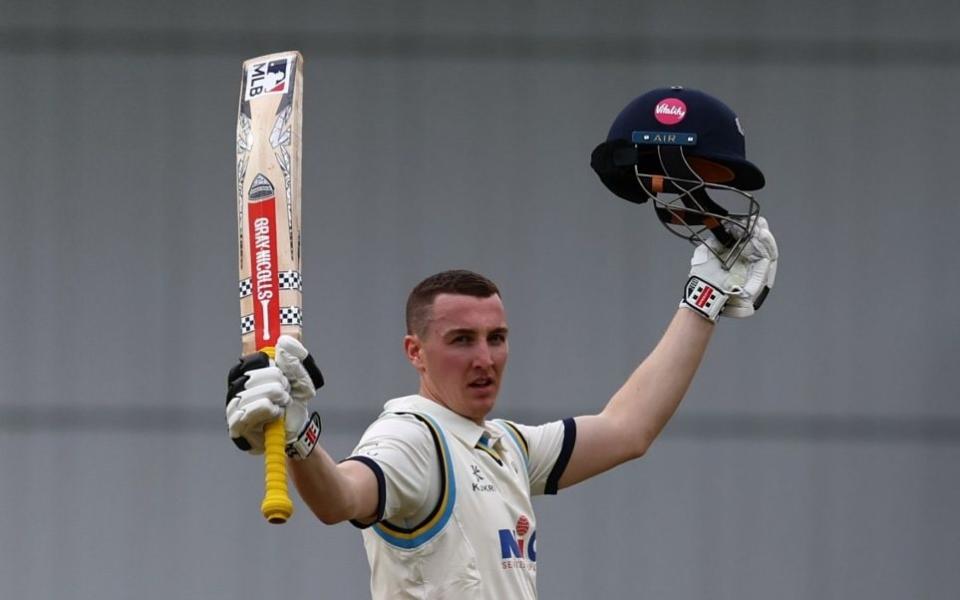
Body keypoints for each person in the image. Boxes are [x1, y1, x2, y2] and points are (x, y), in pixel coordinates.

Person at [225, 87, 779, 599]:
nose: (485, 358)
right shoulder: (414, 439)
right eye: (461, 340)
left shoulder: (503, 446)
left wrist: (701, 302)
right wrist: (299, 439)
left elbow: (628, 430)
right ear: (414, 352)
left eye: (497, 338)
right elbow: (342, 497)